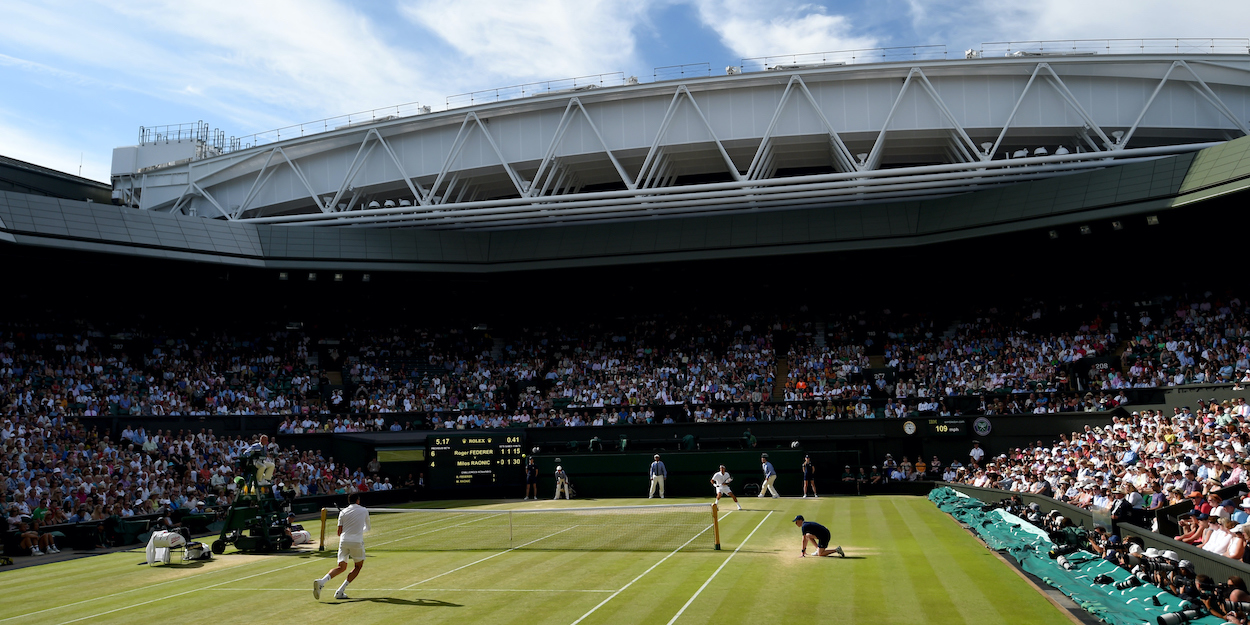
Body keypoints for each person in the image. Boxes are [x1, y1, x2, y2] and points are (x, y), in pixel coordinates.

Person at [314, 493, 370, 601]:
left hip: (343, 541)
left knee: (341, 567)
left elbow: (339, 532)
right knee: (358, 567)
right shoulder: (364, 510)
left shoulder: (343, 512)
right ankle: (340, 591)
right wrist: (358, 531)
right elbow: (367, 528)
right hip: (356, 542)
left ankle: (322, 581)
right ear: (358, 500)